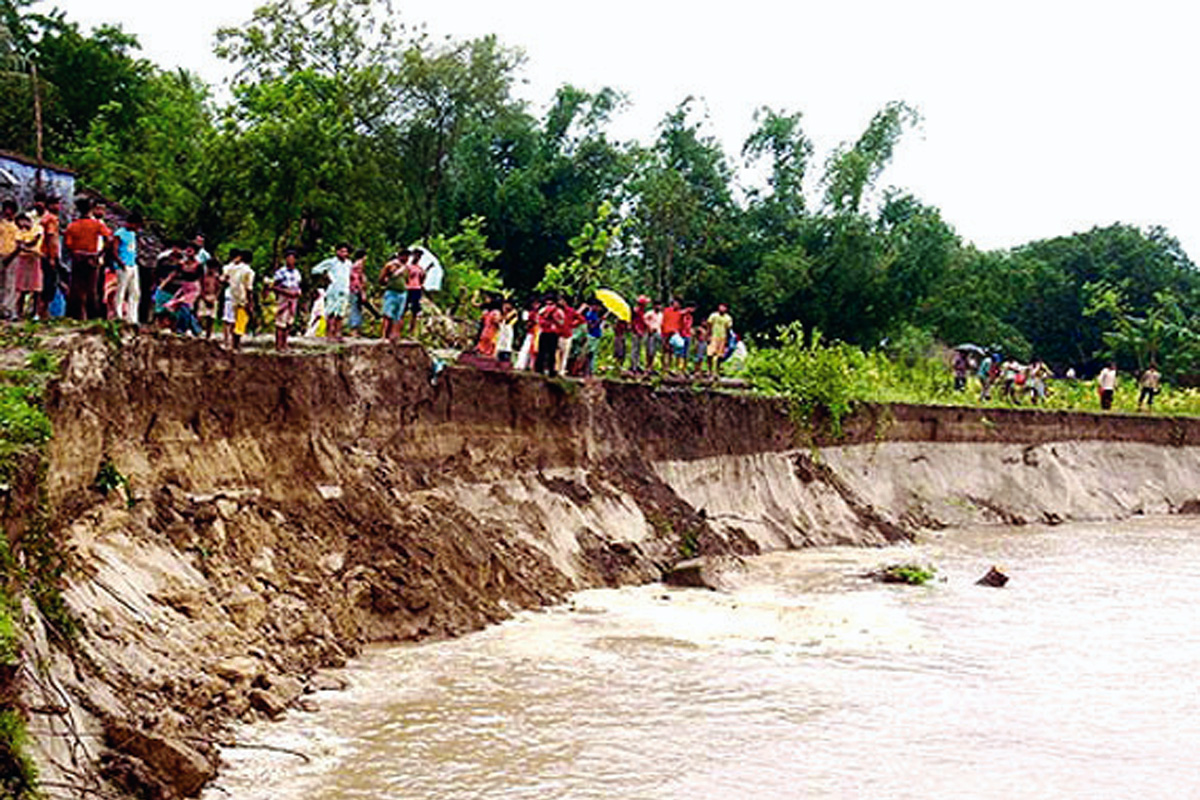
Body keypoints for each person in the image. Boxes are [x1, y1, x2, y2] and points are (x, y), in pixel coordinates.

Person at [62, 197, 111, 320]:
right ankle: (91, 316)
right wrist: (99, 254)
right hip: (92, 258)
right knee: (92, 289)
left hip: (78, 258)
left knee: (77, 289)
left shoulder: (72, 226)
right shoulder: (97, 225)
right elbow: (109, 239)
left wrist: (75, 254)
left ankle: (78, 315)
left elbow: (68, 244)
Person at [312, 243, 353, 342]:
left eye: (346, 252)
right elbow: (315, 270)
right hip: (334, 289)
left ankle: (338, 334)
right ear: (337, 252)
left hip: (344, 289)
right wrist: (326, 277)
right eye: (342, 251)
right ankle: (329, 334)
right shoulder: (331, 262)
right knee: (331, 312)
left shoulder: (348, 263)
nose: (344, 254)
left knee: (340, 313)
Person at [11, 214, 43, 320]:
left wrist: (25, 247)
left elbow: (34, 242)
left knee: (36, 288)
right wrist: (25, 247)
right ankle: (18, 312)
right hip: (24, 259)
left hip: (35, 259)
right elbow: (20, 245)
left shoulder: (38, 228)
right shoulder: (19, 232)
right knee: (21, 288)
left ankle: (36, 313)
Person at [222, 250, 255, 350]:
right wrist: (250, 302)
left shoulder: (231, 268)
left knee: (231, 320)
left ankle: (229, 342)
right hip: (242, 298)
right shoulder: (249, 272)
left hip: (232, 297)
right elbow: (248, 288)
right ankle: (235, 345)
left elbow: (224, 279)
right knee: (240, 322)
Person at [112, 212, 141, 325]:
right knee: (121, 291)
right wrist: (121, 263)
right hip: (123, 265)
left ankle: (132, 317)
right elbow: (114, 251)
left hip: (133, 264)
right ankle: (118, 315)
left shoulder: (133, 234)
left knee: (135, 291)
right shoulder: (119, 234)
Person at [271, 249, 302, 351]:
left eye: (292, 258)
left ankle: (285, 343)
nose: (290, 260)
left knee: (289, 321)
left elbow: (298, 285)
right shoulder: (281, 272)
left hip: (294, 298)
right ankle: (278, 344)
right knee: (281, 321)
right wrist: (285, 292)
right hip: (284, 296)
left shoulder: (297, 273)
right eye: (289, 258)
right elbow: (274, 286)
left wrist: (297, 292)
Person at [37, 196, 61, 319]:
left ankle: (42, 312)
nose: (58, 207)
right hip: (48, 254)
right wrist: (52, 257)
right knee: (48, 284)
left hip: (44, 253)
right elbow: (51, 238)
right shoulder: (51, 219)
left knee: (48, 283)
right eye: (56, 204)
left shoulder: (44, 218)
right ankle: (42, 312)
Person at [378, 250, 409, 341]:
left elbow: (406, 279)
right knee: (387, 314)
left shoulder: (406, 267)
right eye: (404, 256)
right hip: (392, 292)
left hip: (402, 293)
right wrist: (387, 281)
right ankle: (383, 336)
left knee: (398, 316)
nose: (406, 258)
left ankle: (395, 335)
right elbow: (381, 278)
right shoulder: (390, 265)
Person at [534, 295, 565, 377]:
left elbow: (562, 323)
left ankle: (551, 370)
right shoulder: (542, 310)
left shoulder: (559, 312)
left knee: (552, 352)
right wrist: (545, 318)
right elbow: (537, 320)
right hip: (544, 332)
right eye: (547, 304)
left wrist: (555, 319)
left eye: (551, 304)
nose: (549, 306)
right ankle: (539, 369)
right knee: (542, 351)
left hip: (553, 333)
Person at [399, 250, 425, 339]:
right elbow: (405, 277)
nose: (417, 257)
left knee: (414, 311)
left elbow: (422, 279)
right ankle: (399, 330)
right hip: (408, 288)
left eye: (419, 256)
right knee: (403, 309)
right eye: (416, 255)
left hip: (417, 289)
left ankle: (411, 332)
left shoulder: (420, 268)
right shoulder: (408, 267)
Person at [706, 302, 733, 377]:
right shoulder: (713, 315)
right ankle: (709, 370)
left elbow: (728, 329)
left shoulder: (728, 318)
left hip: (722, 337)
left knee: (720, 356)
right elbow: (709, 325)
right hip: (713, 336)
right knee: (710, 354)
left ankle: (717, 371)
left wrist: (727, 339)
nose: (722, 308)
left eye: (724, 307)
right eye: (721, 307)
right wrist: (708, 335)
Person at [198, 259, 222, 338]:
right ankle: (200, 331)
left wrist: (215, 297)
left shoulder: (216, 277)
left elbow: (219, 288)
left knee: (211, 318)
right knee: (201, 316)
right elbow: (200, 287)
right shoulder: (203, 277)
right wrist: (204, 297)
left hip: (213, 297)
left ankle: (208, 335)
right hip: (204, 297)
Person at [348, 249, 367, 335]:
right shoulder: (358, 265)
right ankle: (354, 330)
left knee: (357, 308)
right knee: (355, 309)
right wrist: (362, 291)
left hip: (354, 289)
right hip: (355, 289)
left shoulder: (354, 265)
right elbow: (357, 279)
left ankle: (356, 329)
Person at [630, 295, 649, 373]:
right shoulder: (636, 311)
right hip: (636, 332)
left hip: (641, 331)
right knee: (635, 349)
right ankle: (633, 366)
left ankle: (637, 364)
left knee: (638, 349)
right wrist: (638, 330)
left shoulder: (642, 311)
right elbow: (634, 322)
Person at [644, 301, 663, 373]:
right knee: (649, 350)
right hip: (650, 333)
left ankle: (651, 366)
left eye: (659, 305)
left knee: (654, 351)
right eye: (657, 305)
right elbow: (644, 320)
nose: (658, 307)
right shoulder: (650, 313)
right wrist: (649, 327)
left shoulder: (661, 315)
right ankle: (647, 366)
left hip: (658, 333)